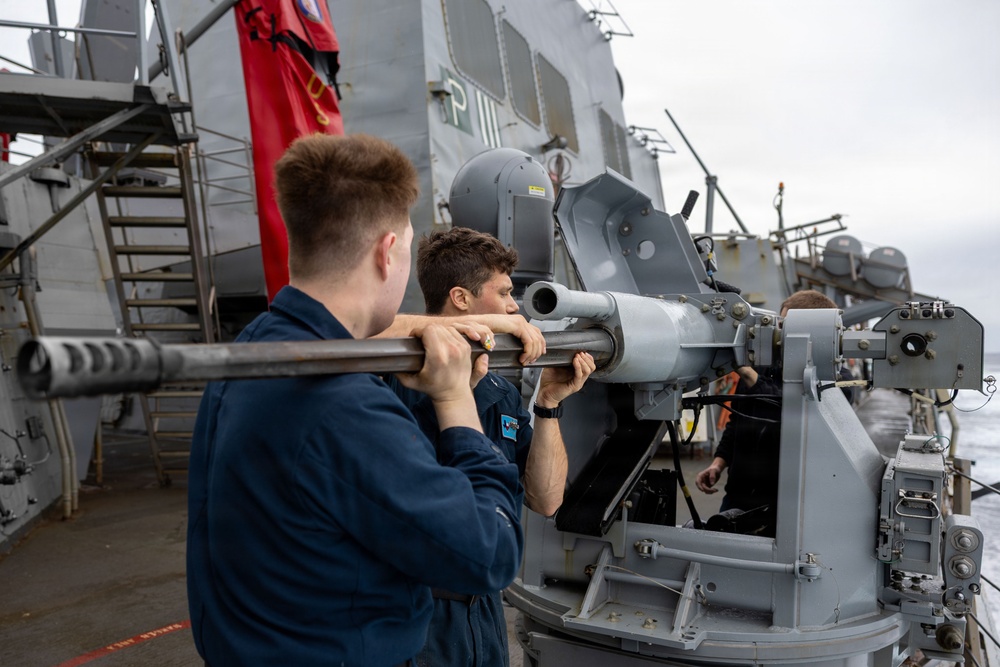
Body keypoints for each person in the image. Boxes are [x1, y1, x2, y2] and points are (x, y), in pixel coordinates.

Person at [186, 133, 527, 667]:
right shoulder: (343, 406)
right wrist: (457, 400)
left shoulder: (253, 350)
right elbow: (491, 553)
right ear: (386, 252)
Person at [388, 226, 596, 667]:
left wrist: (548, 405)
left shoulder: (501, 391)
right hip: (415, 610)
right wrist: (489, 328)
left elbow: (546, 499)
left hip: (483, 609)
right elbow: (355, 330)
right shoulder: (396, 370)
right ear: (462, 299)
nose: (513, 307)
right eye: (503, 294)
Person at [694, 290, 845, 535]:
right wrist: (718, 464)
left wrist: (752, 377)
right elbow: (737, 420)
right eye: (779, 324)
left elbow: (799, 404)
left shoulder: (835, 378)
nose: (778, 333)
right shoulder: (761, 364)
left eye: (785, 326)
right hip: (737, 496)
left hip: (787, 502)